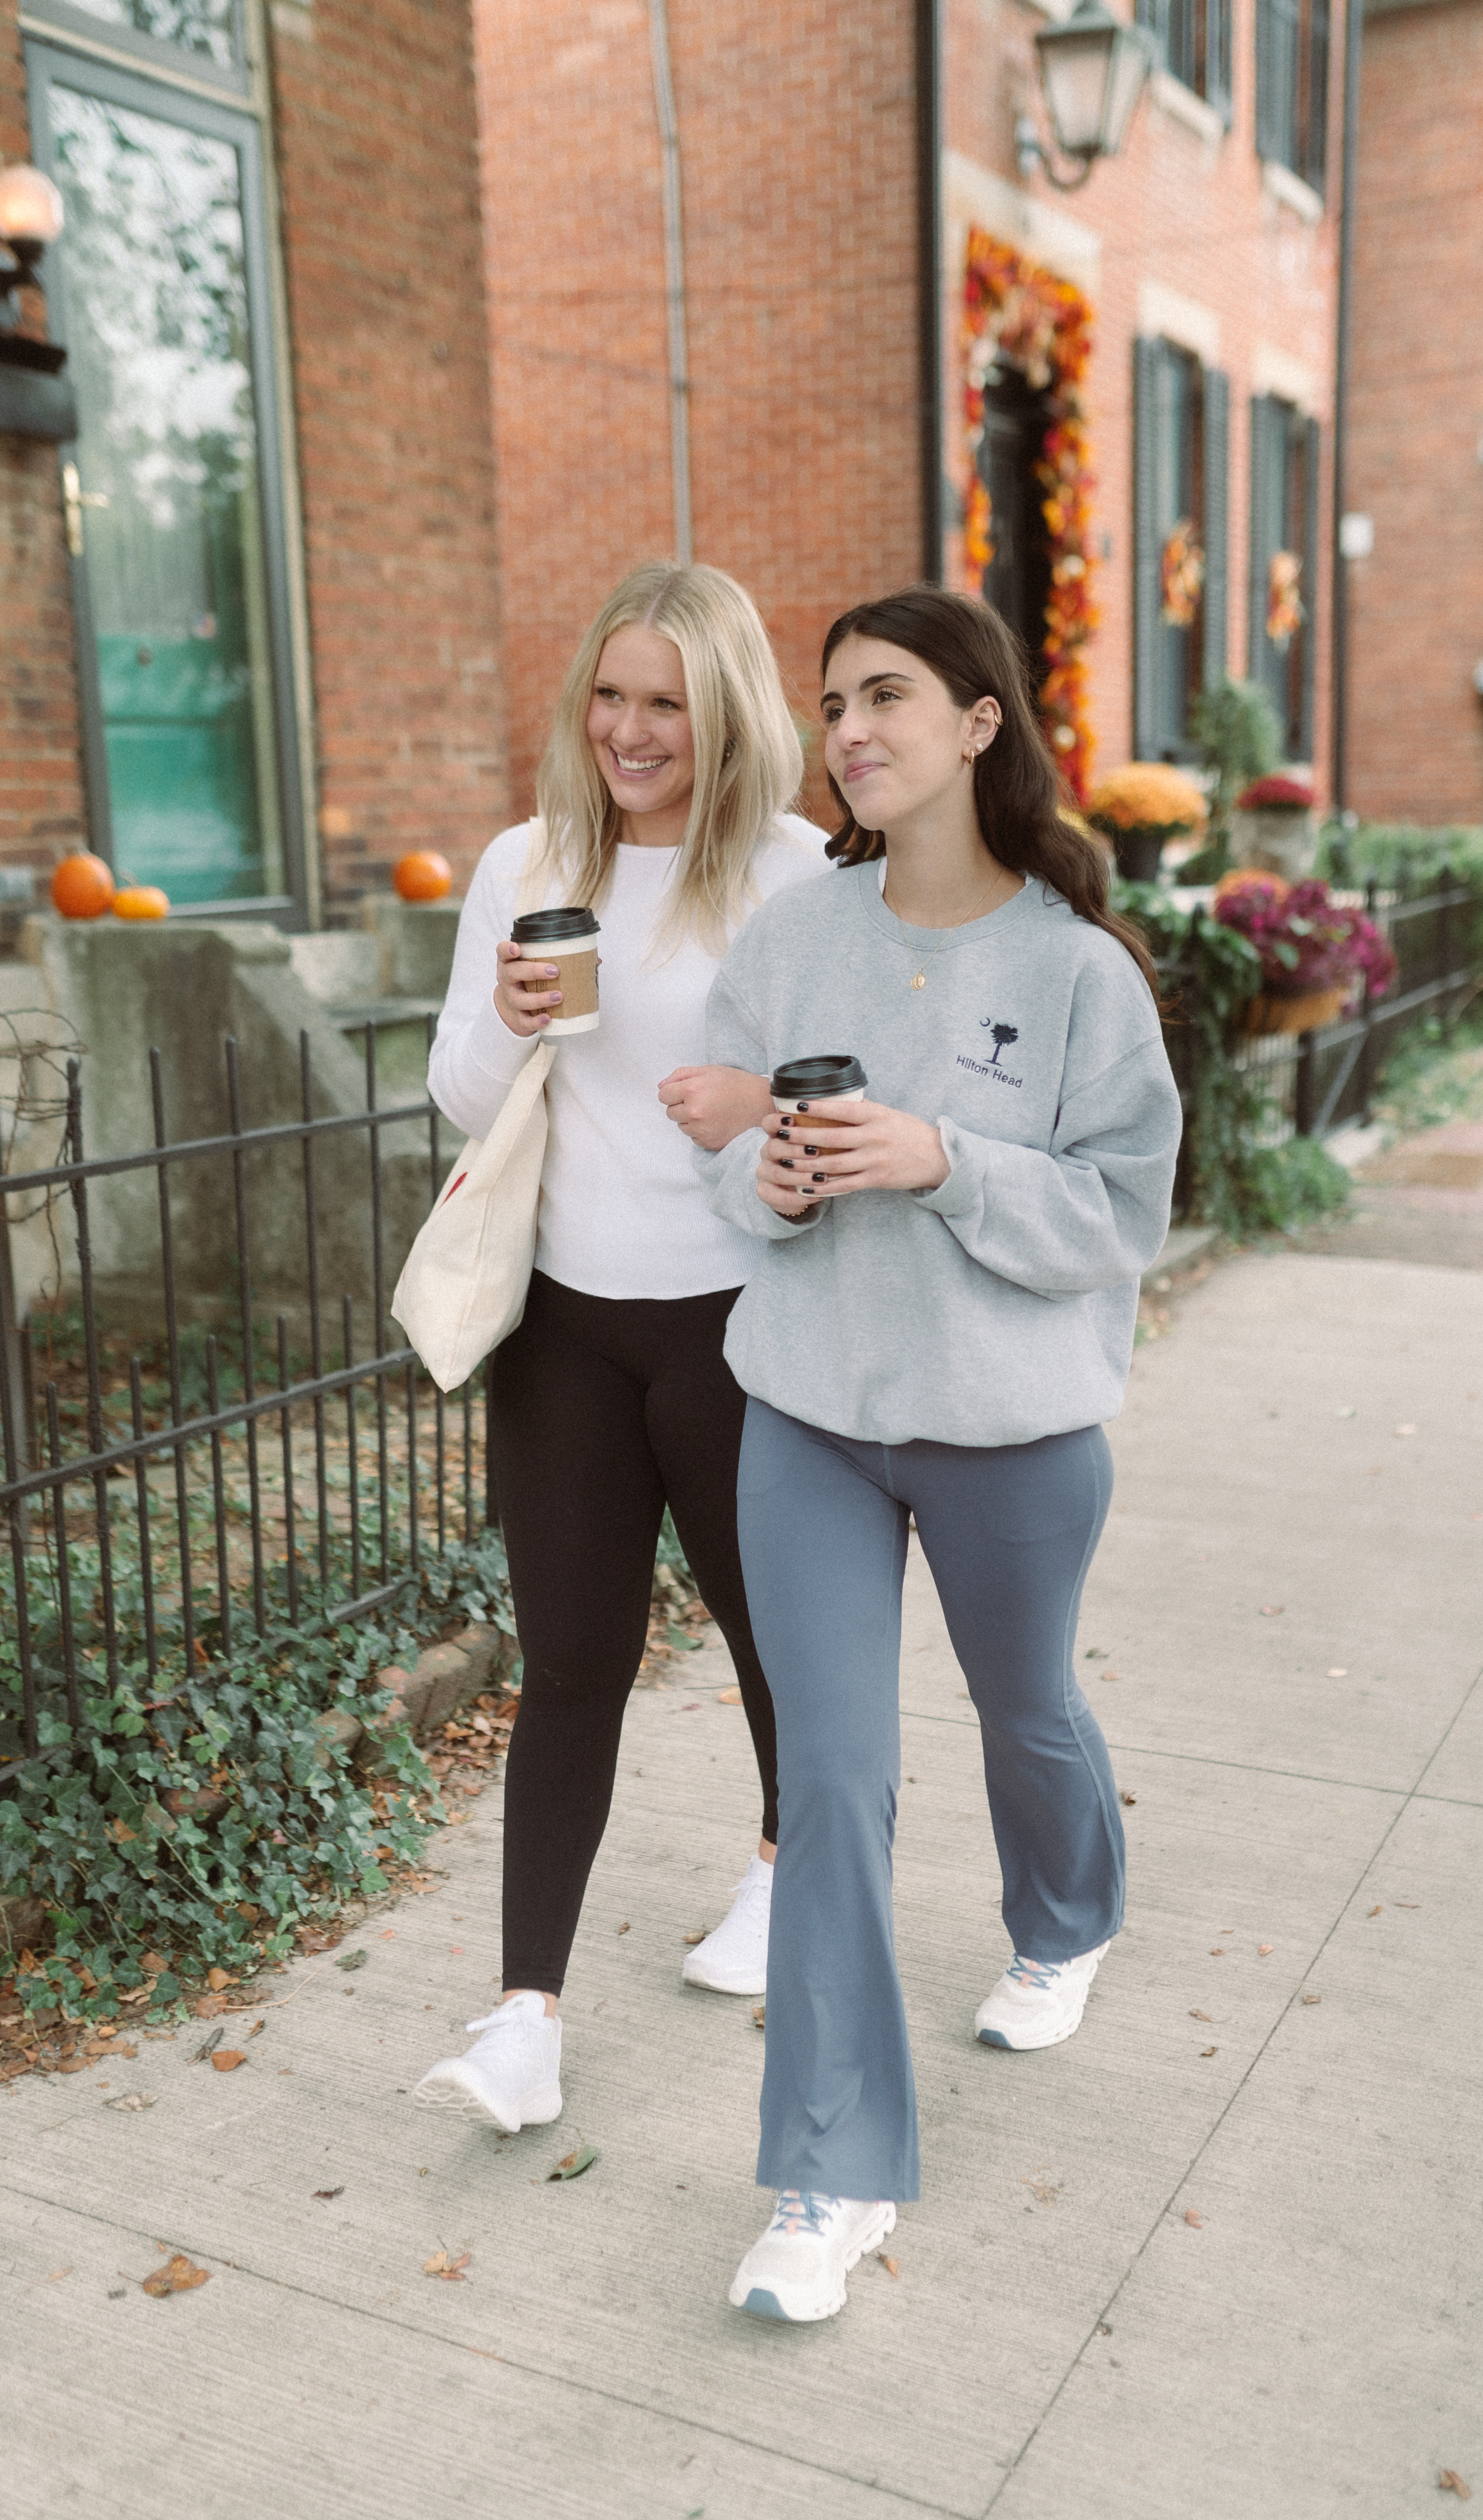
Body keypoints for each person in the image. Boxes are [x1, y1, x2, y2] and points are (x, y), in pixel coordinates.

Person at [695, 586, 1182, 2322]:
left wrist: (940, 1160)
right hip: (809, 1415)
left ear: (979, 721)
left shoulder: (1072, 970)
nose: (848, 729)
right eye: (831, 703)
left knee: (1022, 1708)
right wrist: (764, 1173)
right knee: (829, 1774)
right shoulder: (794, 935)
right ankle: (830, 2173)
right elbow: (728, 1142)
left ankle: (1066, 1913)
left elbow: (1121, 1215)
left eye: (884, 694)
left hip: (1011, 1432)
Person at [414, 561, 827, 2134]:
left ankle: (790, 1868)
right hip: (568, 1331)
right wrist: (517, 1013)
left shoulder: (791, 875)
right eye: (610, 695)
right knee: (571, 1664)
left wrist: (766, 1106)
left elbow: (842, 1089)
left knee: (767, 1633)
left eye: (667, 702)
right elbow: (463, 1092)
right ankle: (525, 2019)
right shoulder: (531, 856)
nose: (632, 730)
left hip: (740, 1325)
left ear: (723, 715)